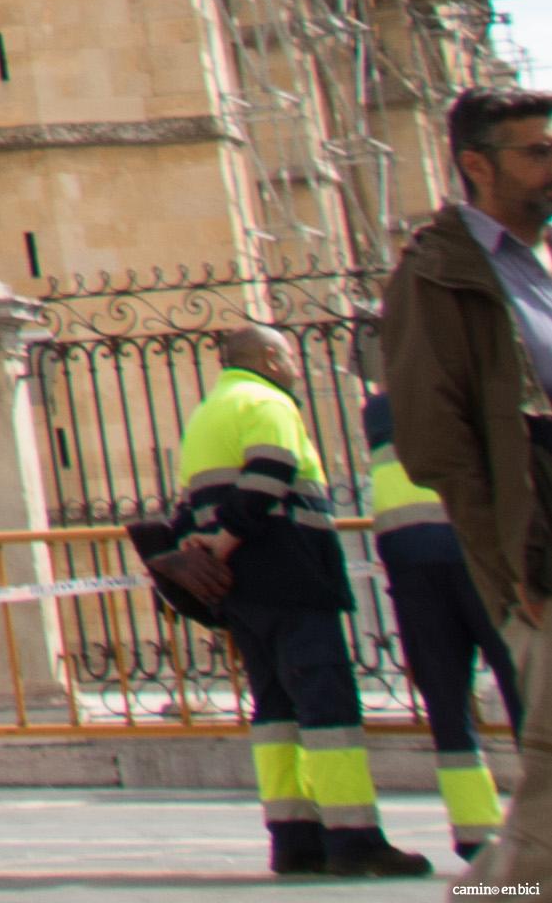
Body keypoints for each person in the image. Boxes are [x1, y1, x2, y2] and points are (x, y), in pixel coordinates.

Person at [172, 322, 420, 877]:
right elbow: (270, 474)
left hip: (237, 588)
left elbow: (190, 503)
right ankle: (355, 839)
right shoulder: (267, 402)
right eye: (285, 355)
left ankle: (293, 838)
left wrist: (209, 545)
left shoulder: (206, 414)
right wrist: (229, 535)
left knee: (276, 710)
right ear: (266, 358)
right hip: (292, 574)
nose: (292, 366)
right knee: (327, 707)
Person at [387, 83, 552, 891]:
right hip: (538, 570)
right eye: (537, 152)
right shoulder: (440, 272)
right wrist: (510, 570)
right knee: (546, 817)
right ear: (476, 166)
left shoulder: (543, 265)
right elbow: (432, 441)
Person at [362, 384, 516, 861]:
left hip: (413, 571)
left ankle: (474, 834)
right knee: (529, 696)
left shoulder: (381, 410)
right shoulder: (472, 393)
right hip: (479, 559)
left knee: (448, 709)